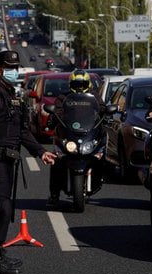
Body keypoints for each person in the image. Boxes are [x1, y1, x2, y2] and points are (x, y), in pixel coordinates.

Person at [0, 50, 56, 274]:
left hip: (9, 160)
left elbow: (23, 132)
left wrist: (40, 152)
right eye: (8, 68)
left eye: (15, 68)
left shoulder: (14, 97)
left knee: (4, 207)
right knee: (2, 206)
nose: (13, 72)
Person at [46, 69, 106, 207]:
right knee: (56, 161)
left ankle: (98, 178)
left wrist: (105, 115)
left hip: (88, 135)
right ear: (71, 84)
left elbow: (102, 109)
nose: (79, 87)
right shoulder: (63, 98)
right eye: (76, 84)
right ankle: (54, 194)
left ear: (88, 84)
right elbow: (57, 111)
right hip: (68, 136)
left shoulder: (94, 97)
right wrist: (53, 118)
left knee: (101, 154)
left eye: (82, 84)